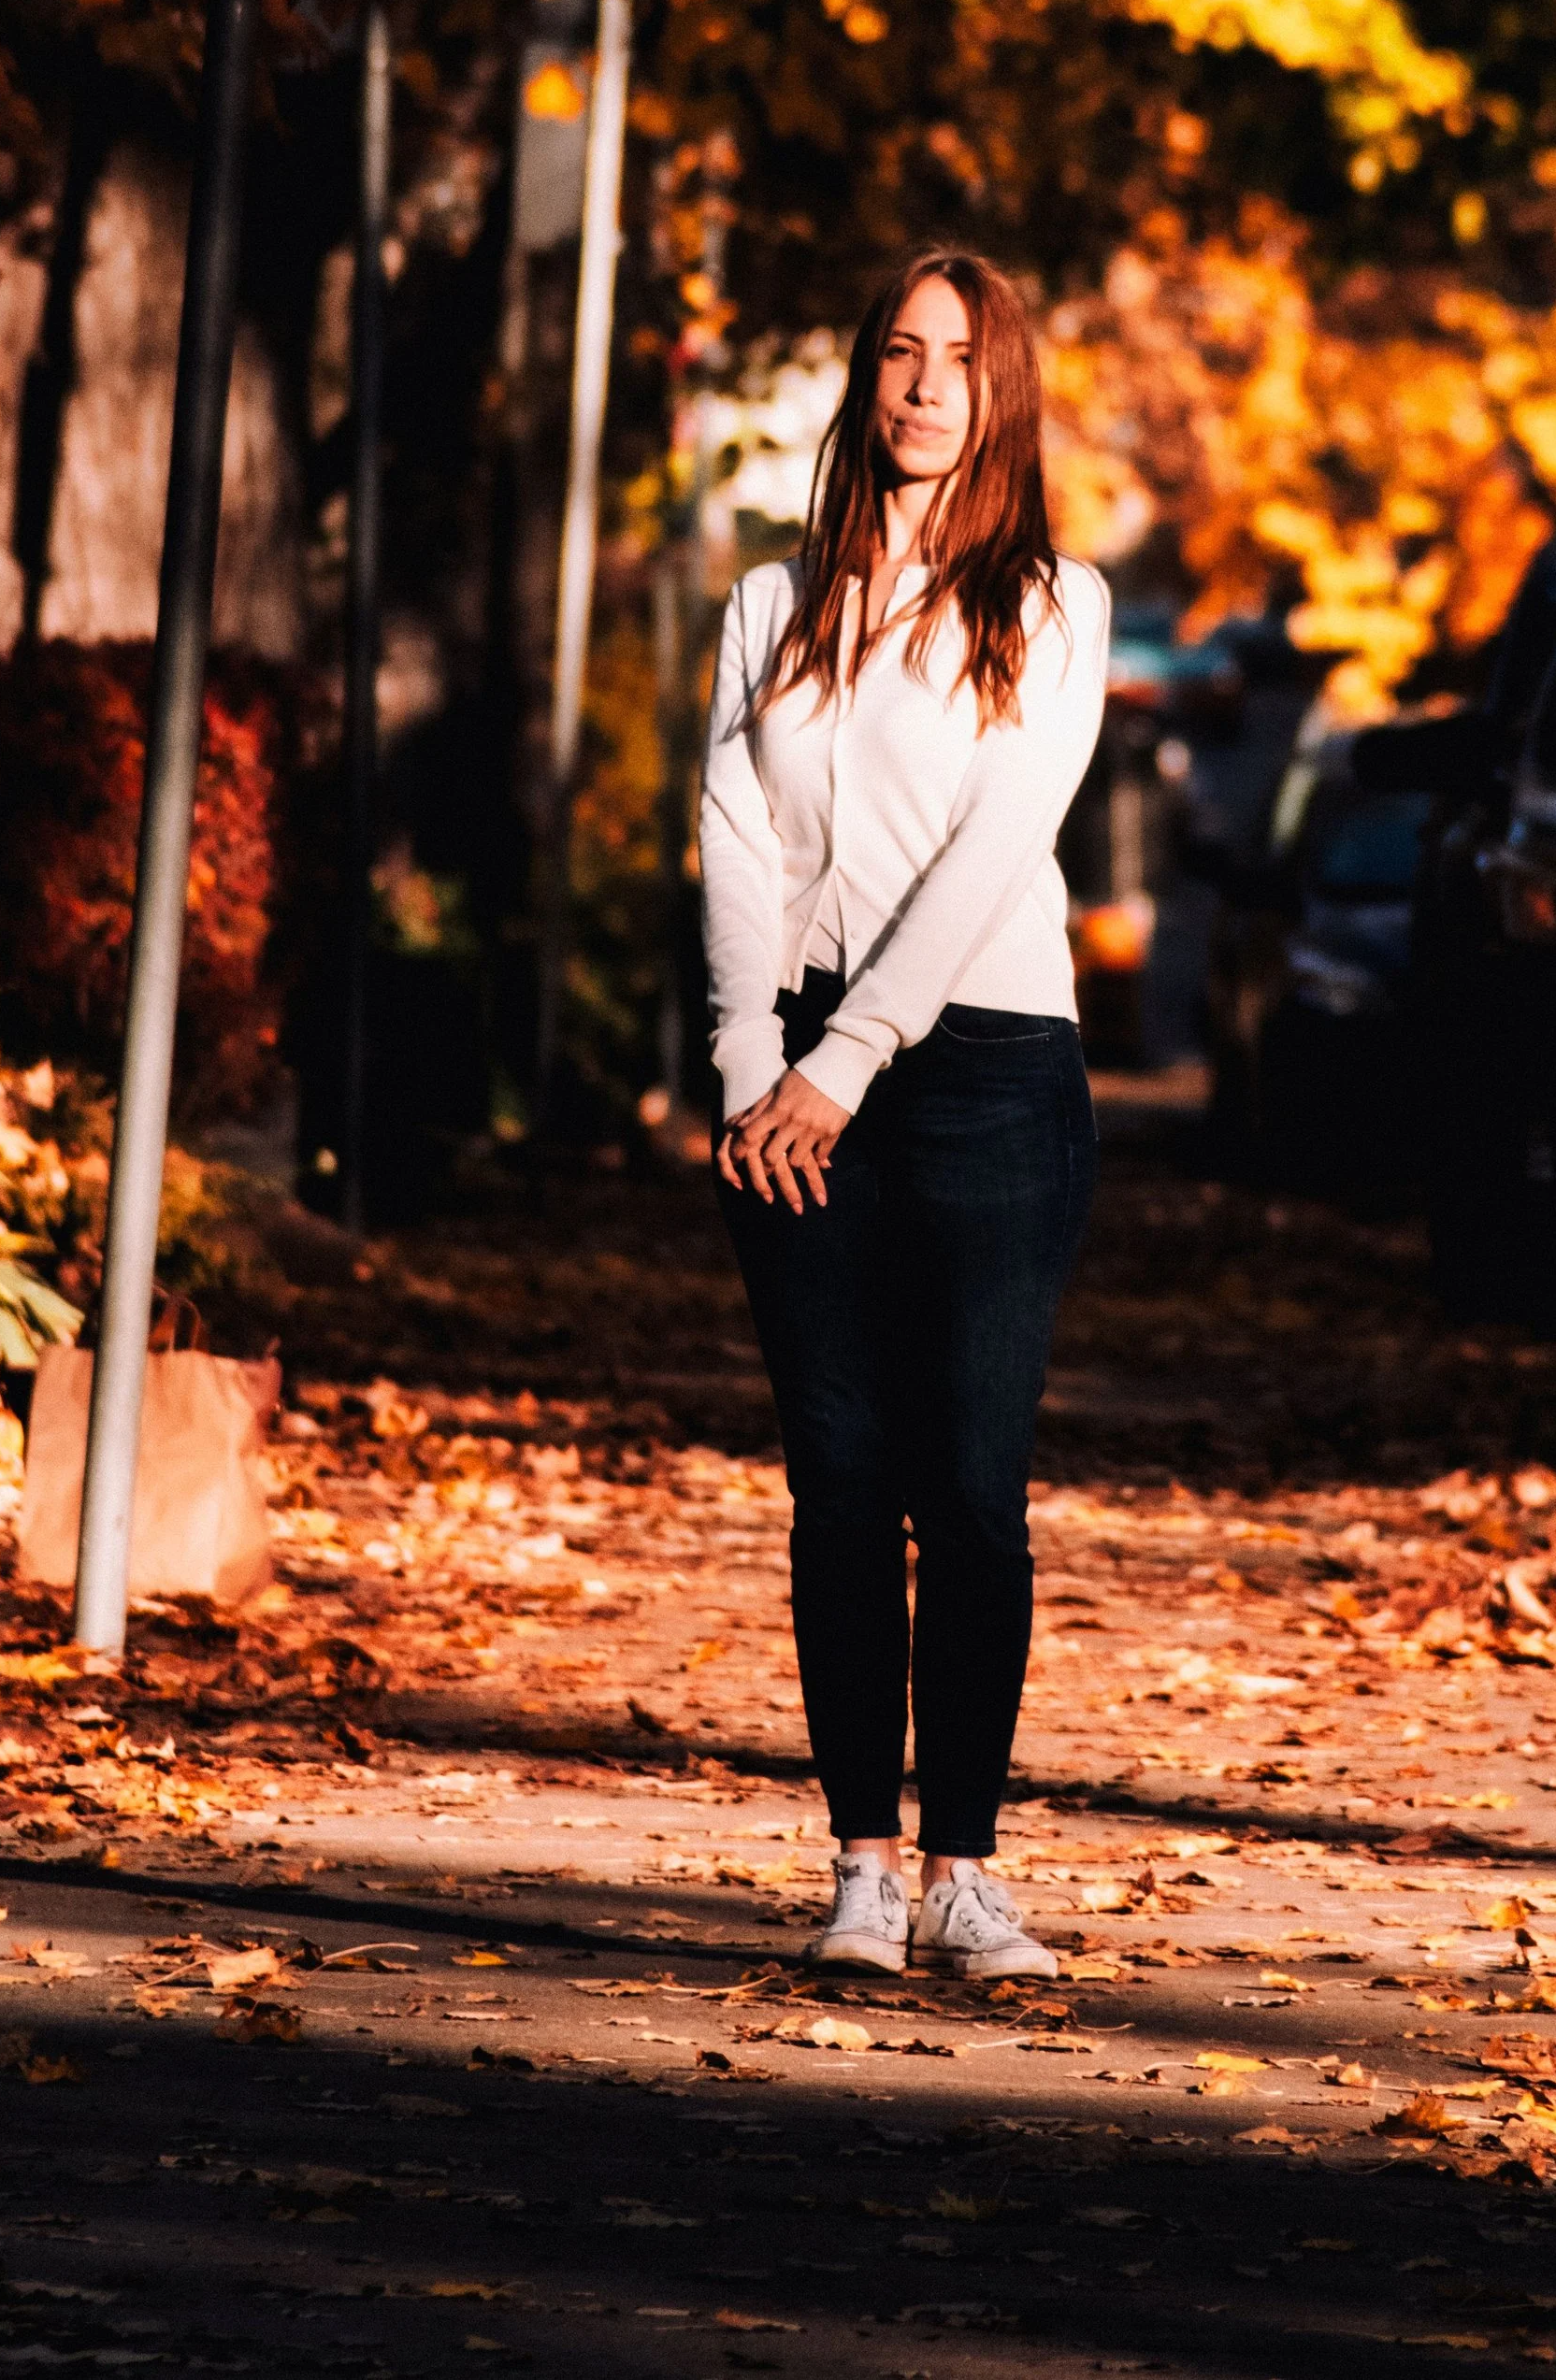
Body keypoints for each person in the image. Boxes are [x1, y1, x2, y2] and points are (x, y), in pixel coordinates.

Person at [701, 250, 1110, 1981]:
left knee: (974, 1484)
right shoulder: (766, 609)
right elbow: (736, 833)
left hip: (990, 1067)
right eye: (900, 352)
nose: (928, 383)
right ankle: (863, 1863)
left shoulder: (1054, 605)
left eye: (962, 358)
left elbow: (992, 850)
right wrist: (747, 1063)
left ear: (1002, 391)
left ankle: (965, 1865)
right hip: (786, 1080)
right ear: (865, 382)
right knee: (839, 1483)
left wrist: (847, 1059)